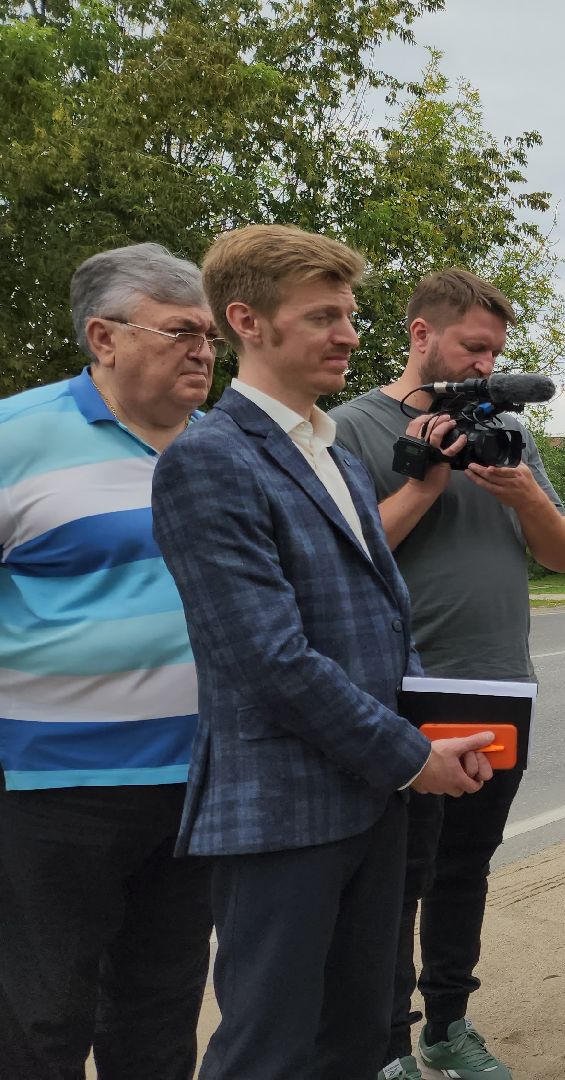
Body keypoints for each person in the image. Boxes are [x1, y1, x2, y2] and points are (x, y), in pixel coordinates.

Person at [150, 224, 497, 1079]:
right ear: (249, 322)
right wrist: (412, 758)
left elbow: (377, 630)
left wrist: (413, 753)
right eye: (322, 317)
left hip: (369, 804)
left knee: (356, 1042)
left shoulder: (333, 453)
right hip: (281, 813)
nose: (348, 334)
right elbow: (269, 659)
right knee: (267, 1050)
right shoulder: (210, 459)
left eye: (349, 314)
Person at [330, 269, 565, 1080]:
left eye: (497, 352)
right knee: (395, 882)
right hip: (402, 689)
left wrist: (520, 493)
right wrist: (426, 481)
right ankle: (386, 1047)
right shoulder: (347, 430)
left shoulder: (504, 430)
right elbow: (344, 559)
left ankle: (447, 1024)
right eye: (474, 347)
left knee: (464, 871)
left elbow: (562, 554)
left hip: (500, 682)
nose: (486, 365)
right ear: (420, 336)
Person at [0, 244, 216, 1079]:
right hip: (54, 793)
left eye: (209, 336)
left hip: (198, 787)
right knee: (42, 1017)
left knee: (160, 1017)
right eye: (181, 332)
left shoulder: (222, 449)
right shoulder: (16, 437)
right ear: (104, 337)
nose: (204, 349)